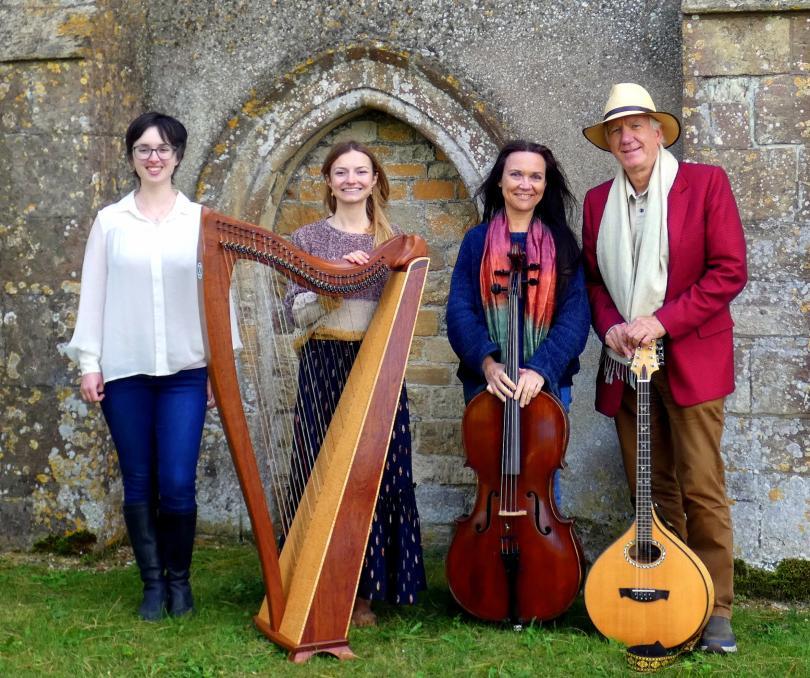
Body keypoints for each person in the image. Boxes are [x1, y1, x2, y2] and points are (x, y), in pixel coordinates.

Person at [581, 83, 747, 653]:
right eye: (616, 131)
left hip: (690, 357)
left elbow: (728, 271)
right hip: (626, 364)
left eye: (636, 126)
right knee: (650, 491)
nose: (627, 137)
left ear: (658, 132)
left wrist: (661, 321)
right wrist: (613, 328)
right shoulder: (598, 202)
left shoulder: (705, 184)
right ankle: (674, 594)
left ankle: (717, 610)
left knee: (701, 486)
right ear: (608, 143)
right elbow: (594, 282)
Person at [65, 112, 213, 621]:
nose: (154, 157)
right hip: (125, 370)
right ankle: (152, 585)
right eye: (144, 149)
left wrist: (221, 360)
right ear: (131, 157)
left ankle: (181, 582)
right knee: (138, 480)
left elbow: (215, 295)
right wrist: (90, 362)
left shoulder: (200, 221)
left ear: (178, 156)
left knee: (176, 481)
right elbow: (95, 295)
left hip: (186, 371)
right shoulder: (110, 221)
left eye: (164, 149)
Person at [283, 140, 426, 627]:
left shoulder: (396, 240)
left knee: (379, 473)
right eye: (340, 171)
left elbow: (405, 309)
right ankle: (314, 580)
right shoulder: (306, 238)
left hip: (376, 365)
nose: (350, 179)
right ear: (328, 181)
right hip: (324, 359)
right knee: (320, 470)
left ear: (374, 179)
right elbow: (291, 315)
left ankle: (369, 587)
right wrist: (329, 287)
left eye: (360, 171)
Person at [446, 140, 590, 417]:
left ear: (545, 186)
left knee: (546, 462)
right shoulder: (476, 241)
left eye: (535, 176)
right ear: (500, 181)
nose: (526, 184)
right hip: (488, 384)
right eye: (516, 174)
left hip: (547, 383)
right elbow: (459, 311)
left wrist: (541, 369)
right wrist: (488, 364)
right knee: (488, 460)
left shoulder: (563, 244)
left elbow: (576, 317)